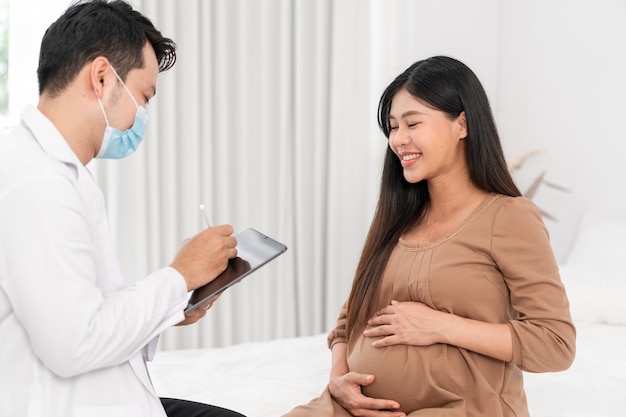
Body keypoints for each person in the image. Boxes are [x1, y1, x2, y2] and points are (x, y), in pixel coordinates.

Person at [283, 56, 576, 417]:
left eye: (413, 123)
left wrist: (440, 326)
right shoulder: (400, 216)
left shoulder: (509, 217)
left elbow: (555, 344)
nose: (398, 140)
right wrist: (339, 378)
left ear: (463, 124)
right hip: (350, 407)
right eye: (392, 127)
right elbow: (351, 315)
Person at [0, 1, 245, 416]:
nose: (142, 114)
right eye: (143, 96)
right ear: (100, 78)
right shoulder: (37, 182)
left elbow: (89, 311)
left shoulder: (57, 170)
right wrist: (179, 275)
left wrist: (174, 306)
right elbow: (75, 344)